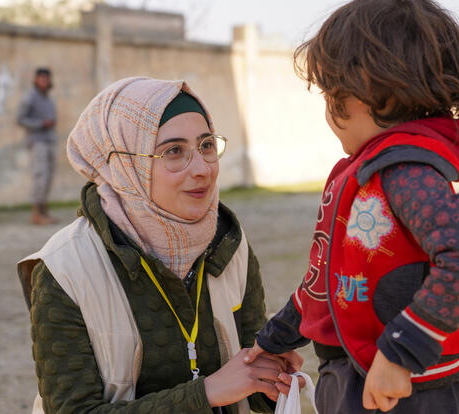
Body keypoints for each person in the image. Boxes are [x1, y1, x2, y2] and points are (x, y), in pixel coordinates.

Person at [245, 1, 459, 413]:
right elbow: (326, 278)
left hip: (404, 393)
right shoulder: (369, 171)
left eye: (330, 93)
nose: (327, 112)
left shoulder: (408, 172)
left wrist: (401, 354)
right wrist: (276, 337)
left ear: (367, 89)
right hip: (353, 380)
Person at [17, 77, 302, 414]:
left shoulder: (230, 246)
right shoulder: (64, 270)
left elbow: (245, 372)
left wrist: (269, 378)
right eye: (174, 151)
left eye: (207, 145)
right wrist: (205, 393)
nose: (202, 169)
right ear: (124, 166)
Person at [17, 67, 59, 225]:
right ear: (36, 79)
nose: (44, 81)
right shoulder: (29, 97)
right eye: (41, 78)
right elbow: (20, 119)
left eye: (46, 78)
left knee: (49, 176)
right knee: (40, 176)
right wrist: (41, 124)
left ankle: (44, 211)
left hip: (50, 141)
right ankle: (36, 214)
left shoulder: (49, 98)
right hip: (37, 142)